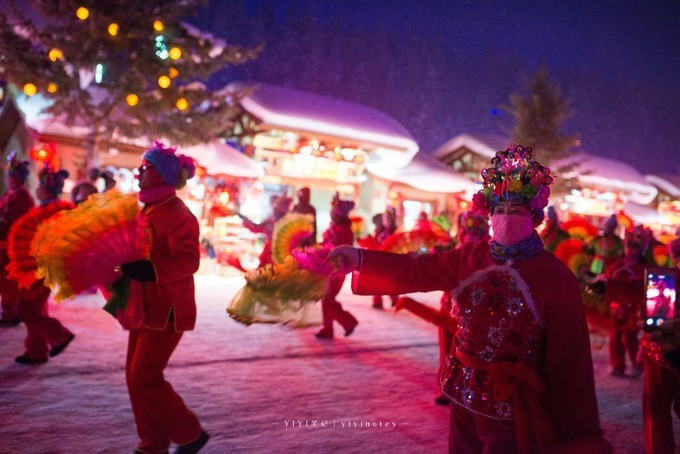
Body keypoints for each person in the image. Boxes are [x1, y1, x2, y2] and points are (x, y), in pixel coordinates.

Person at [329, 145, 611, 453]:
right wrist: (359, 259)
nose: (506, 217)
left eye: (516, 211)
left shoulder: (554, 276)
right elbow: (417, 270)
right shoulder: (470, 257)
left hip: (513, 402)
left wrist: (578, 432)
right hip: (462, 391)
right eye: (499, 210)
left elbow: (571, 360)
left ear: (534, 217)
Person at [119, 142, 208, 454]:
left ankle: (190, 433)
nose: (140, 171)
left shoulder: (179, 214)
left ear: (164, 175)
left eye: (148, 166)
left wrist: (151, 270)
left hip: (167, 308)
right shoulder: (149, 209)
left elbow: (190, 261)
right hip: (142, 305)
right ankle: (153, 443)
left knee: (144, 376)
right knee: (134, 377)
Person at [14, 164, 75, 364]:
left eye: (39, 185)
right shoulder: (46, 209)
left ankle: (60, 335)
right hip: (38, 267)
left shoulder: (56, 210)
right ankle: (36, 350)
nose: (37, 189)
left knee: (26, 309)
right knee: (35, 308)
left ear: (45, 188)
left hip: (42, 269)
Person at [641, 237, 680, 453]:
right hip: (663, 348)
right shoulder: (665, 282)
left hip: (659, 351)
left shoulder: (665, 279)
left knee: (656, 409)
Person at [604, 226, 650, 377]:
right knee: (615, 336)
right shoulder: (617, 264)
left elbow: (647, 284)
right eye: (628, 246)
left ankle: (637, 363)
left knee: (630, 337)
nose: (630, 249)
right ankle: (618, 365)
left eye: (634, 246)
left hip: (633, 307)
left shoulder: (643, 267)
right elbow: (608, 277)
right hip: (617, 306)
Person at [315, 194, 358, 340]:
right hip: (329, 267)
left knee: (327, 299)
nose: (331, 213)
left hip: (338, 269)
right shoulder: (334, 227)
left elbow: (341, 249)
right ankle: (329, 329)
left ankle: (347, 322)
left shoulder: (344, 231)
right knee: (327, 298)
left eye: (333, 212)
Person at [0, 152, 34, 326]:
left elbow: (17, 226)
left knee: (8, 282)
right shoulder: (11, 195)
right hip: (4, 244)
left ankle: (11, 314)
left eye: (10, 175)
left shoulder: (22, 198)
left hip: (11, 246)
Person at [239, 195, 292, 267]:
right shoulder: (273, 221)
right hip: (271, 258)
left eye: (275, 208)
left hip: (277, 259)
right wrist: (244, 219)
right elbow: (256, 228)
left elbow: (257, 228)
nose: (274, 210)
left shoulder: (284, 223)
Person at [372, 206, 398, 309]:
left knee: (388, 282)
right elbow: (375, 242)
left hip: (389, 260)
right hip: (378, 258)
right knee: (377, 281)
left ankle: (394, 298)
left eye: (389, 218)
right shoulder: (380, 230)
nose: (387, 221)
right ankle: (377, 301)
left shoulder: (395, 232)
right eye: (385, 218)